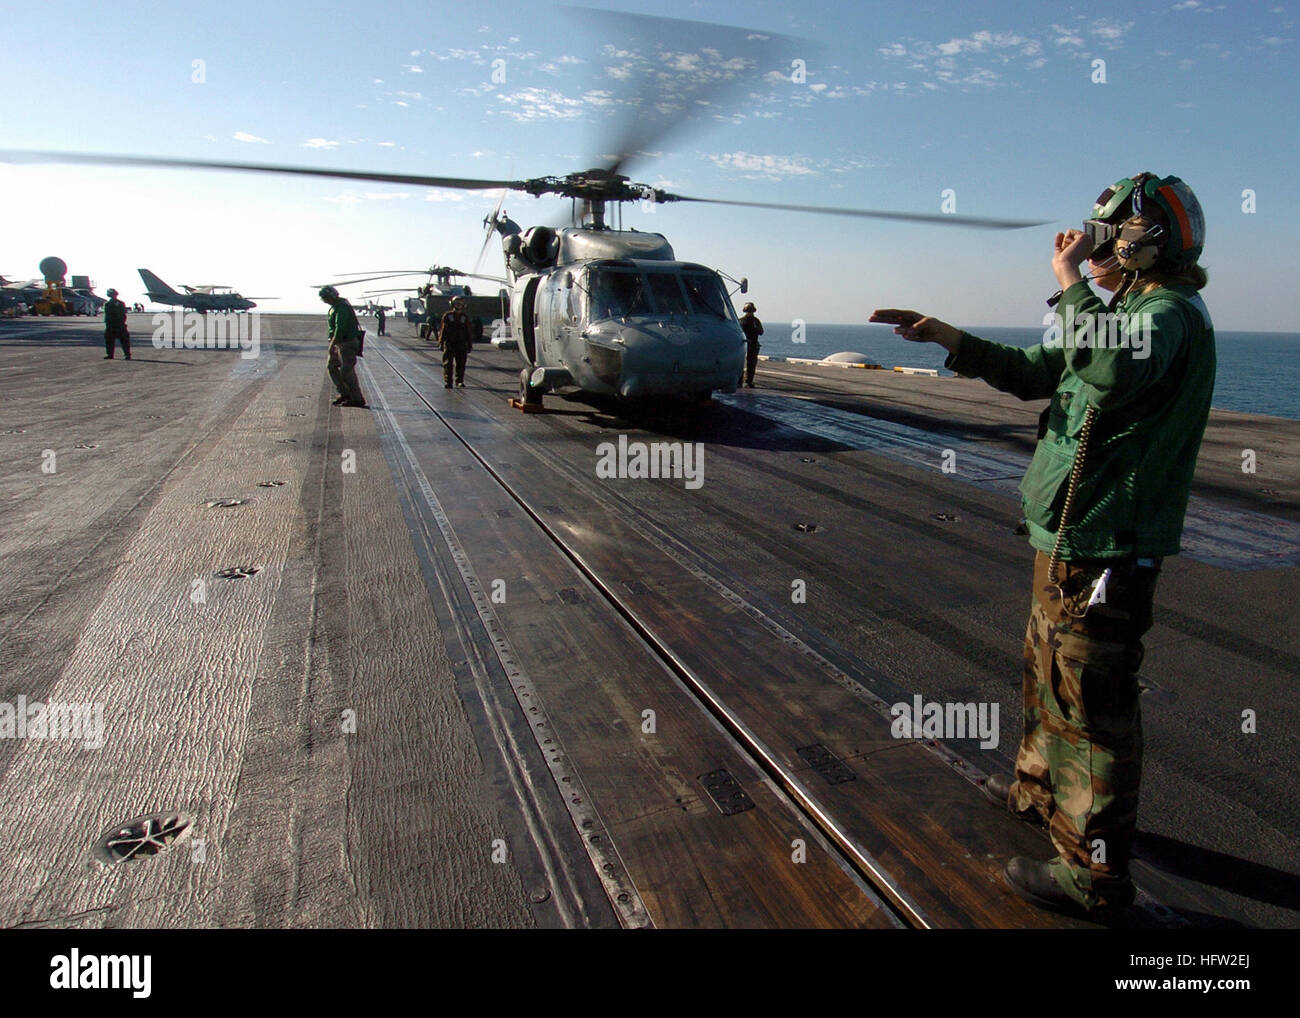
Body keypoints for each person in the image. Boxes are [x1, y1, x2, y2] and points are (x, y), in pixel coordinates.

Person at [870, 172, 1214, 919]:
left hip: (1106, 543)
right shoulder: (1118, 311)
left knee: (1092, 705)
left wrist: (1067, 284)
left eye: (1101, 237)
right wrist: (945, 335)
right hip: (1065, 535)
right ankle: (1039, 793)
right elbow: (1034, 375)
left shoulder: (1167, 317)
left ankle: (1093, 876)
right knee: (1045, 673)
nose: (1085, 248)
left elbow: (1112, 369)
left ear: (1143, 242)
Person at [319, 285, 367, 407]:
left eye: (324, 298)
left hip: (346, 343)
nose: (323, 301)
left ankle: (357, 398)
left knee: (347, 371)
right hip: (340, 343)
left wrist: (332, 344)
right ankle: (345, 393)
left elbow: (340, 328)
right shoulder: (336, 307)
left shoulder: (341, 308)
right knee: (332, 367)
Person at [439, 296, 473, 389]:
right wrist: (441, 343)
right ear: (453, 304)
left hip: (461, 343)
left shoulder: (464, 317)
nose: (458, 305)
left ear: (463, 305)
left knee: (461, 363)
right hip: (449, 343)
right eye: (456, 303)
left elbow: (468, 331)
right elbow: (443, 330)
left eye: (460, 303)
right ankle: (448, 382)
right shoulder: (447, 316)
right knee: (448, 364)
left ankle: (459, 381)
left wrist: (469, 344)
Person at [739, 301, 763, 387]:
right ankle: (741, 381)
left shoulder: (754, 321)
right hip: (744, 343)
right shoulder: (742, 321)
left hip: (752, 343)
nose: (750, 313)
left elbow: (761, 332)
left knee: (751, 363)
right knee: (741, 363)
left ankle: (748, 381)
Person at [103, 288, 130, 360]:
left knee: (110, 341)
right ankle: (127, 355)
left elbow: (107, 315)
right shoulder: (121, 303)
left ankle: (110, 354)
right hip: (120, 325)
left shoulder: (107, 304)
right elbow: (124, 315)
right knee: (124, 341)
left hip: (111, 325)